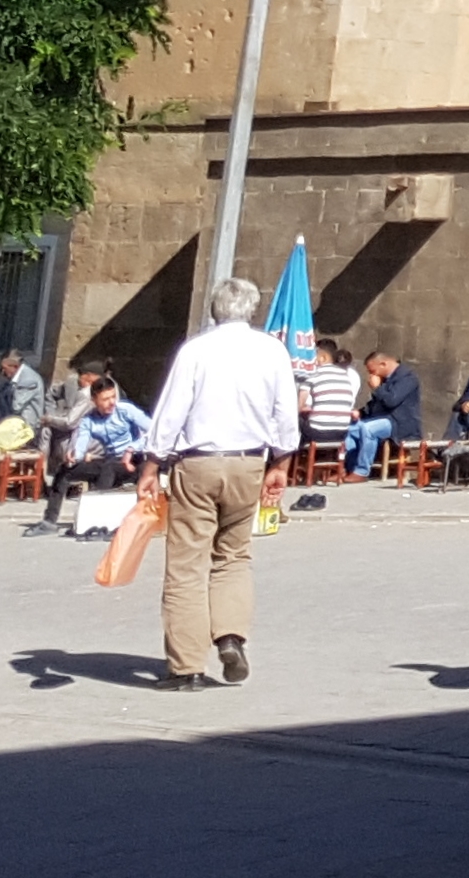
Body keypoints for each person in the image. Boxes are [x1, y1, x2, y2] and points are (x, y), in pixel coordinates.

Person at [138, 273, 298, 691]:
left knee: (187, 565)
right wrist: (281, 462)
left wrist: (152, 464)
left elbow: (171, 410)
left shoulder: (196, 350)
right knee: (234, 555)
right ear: (252, 309)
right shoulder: (272, 350)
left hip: (199, 463)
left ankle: (187, 666)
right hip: (249, 462)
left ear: (214, 309)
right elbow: (286, 412)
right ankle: (230, 635)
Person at [53, 372, 145, 513]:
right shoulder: (89, 420)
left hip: (134, 460)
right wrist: (74, 456)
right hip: (110, 459)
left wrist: (133, 447)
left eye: (113, 397)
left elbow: (155, 432)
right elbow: (81, 444)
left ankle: (98, 518)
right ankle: (49, 521)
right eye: (105, 399)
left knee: (109, 468)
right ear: (94, 400)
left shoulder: (126, 411)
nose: (112, 402)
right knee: (65, 470)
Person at [344, 350, 424, 479]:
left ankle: (361, 472)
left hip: (399, 423)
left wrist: (377, 388)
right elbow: (377, 404)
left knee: (368, 429)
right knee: (351, 428)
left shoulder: (408, 378)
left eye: (372, 371)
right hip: (383, 419)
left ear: (383, 364)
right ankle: (348, 469)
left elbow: (391, 401)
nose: (371, 375)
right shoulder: (385, 379)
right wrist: (360, 413)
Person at [300, 334, 363, 457]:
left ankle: (289, 463)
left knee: (293, 420)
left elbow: (299, 405)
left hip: (317, 432)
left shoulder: (312, 373)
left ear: (322, 357)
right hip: (342, 432)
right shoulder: (346, 375)